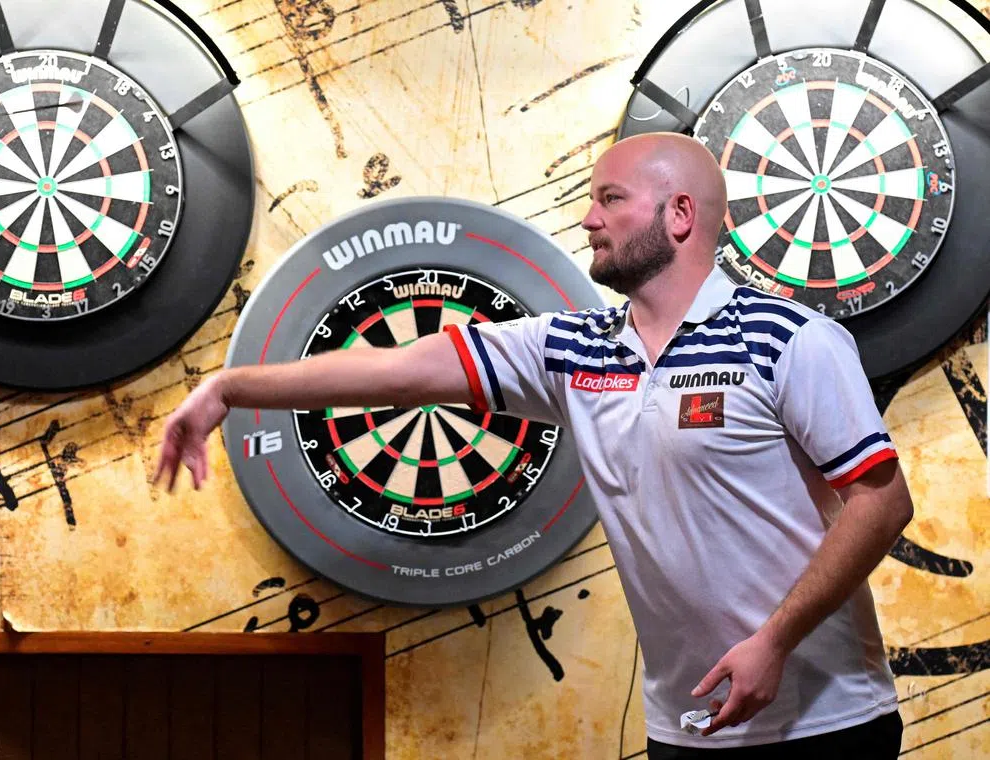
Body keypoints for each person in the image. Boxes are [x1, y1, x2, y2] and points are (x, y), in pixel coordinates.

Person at [155, 132, 912, 758]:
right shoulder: (576, 350)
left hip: (827, 722)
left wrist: (775, 641)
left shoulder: (790, 339)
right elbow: (401, 372)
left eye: (609, 198)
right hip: (686, 731)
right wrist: (229, 389)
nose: (589, 218)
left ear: (680, 214)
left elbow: (881, 503)